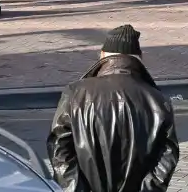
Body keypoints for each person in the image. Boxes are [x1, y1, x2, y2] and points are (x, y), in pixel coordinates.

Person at [47, 25, 179, 192]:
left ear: (102, 55)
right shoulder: (157, 99)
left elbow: (59, 147)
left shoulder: (75, 93)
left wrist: (74, 188)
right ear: (139, 58)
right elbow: (167, 156)